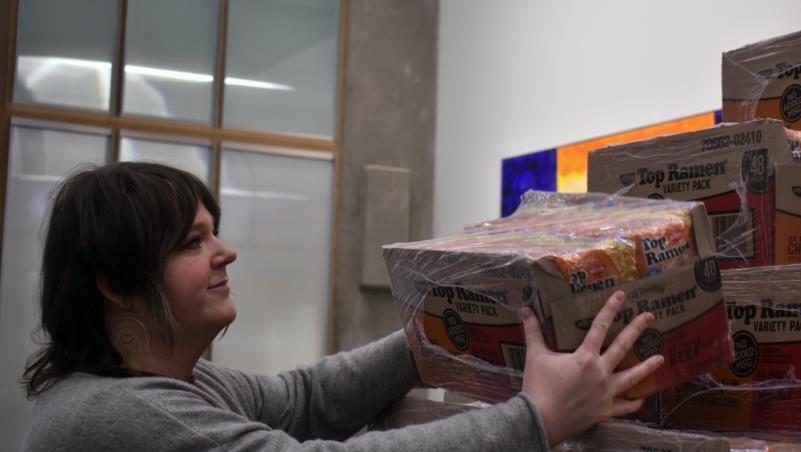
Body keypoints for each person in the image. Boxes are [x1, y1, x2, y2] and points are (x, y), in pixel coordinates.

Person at [21, 162, 663, 451]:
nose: (227, 252)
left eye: (214, 231)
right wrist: (538, 417)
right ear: (116, 283)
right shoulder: (115, 418)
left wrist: (438, 332)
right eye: (193, 243)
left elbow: (305, 400)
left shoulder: (179, 383)